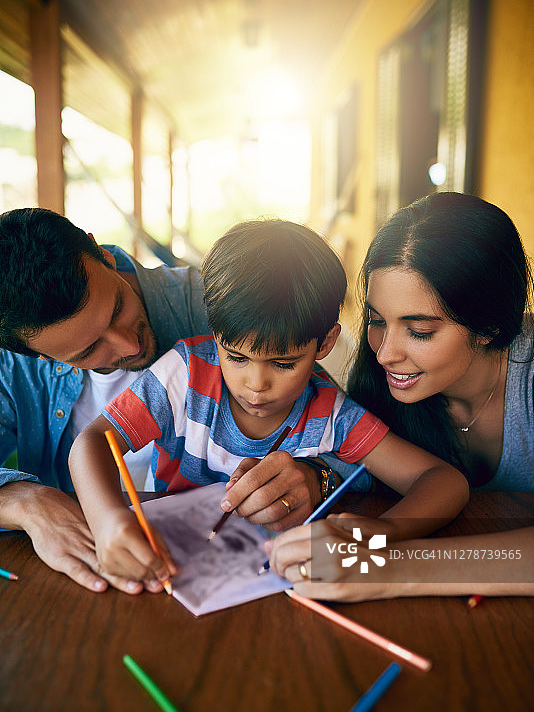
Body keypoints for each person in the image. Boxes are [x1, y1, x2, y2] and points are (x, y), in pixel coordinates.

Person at [68, 219, 468, 591]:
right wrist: (106, 522)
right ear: (215, 331)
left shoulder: (330, 413)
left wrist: (373, 535)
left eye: (283, 363)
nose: (256, 385)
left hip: (281, 590)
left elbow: (443, 481)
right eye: (236, 357)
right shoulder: (185, 376)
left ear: (325, 343)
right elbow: (92, 442)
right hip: (168, 577)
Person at [0, 208, 327, 595]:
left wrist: (316, 475)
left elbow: (335, 414)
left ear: (101, 253)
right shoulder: (10, 362)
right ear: (33, 354)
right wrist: (24, 501)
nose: (130, 344)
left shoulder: (217, 302)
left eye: (118, 307)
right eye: (88, 350)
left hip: (239, 568)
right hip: (93, 582)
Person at [268, 192, 533, 598]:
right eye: (376, 321)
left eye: (420, 331)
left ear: (490, 327)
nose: (385, 353)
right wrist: (311, 479)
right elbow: (354, 471)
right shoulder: (382, 388)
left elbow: (377, 559)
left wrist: (381, 565)